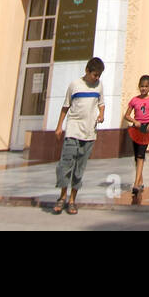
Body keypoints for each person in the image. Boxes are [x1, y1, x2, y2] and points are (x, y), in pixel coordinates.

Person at [51, 56, 105, 215]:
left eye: (99, 75)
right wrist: (59, 126)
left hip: (89, 132)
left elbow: (101, 104)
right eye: (95, 75)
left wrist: (101, 115)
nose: (96, 78)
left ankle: (72, 200)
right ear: (87, 71)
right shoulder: (75, 85)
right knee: (66, 163)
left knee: (79, 167)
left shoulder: (99, 86)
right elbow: (65, 106)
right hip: (73, 129)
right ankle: (62, 197)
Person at [121, 75, 149, 195]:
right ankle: (140, 181)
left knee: (140, 155)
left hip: (145, 129)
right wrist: (134, 121)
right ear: (139, 87)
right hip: (136, 129)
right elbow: (126, 115)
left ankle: (136, 184)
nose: (143, 88)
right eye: (142, 86)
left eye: (146, 86)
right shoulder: (134, 100)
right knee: (136, 157)